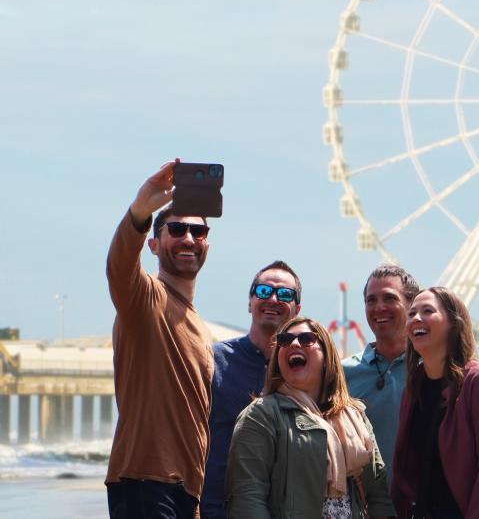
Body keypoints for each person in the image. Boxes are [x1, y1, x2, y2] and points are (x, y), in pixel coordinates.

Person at [105, 160, 215, 519]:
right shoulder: (145, 298)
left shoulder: (200, 325)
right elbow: (119, 267)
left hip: (184, 490)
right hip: (143, 482)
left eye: (198, 232)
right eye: (177, 229)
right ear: (154, 244)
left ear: (207, 246)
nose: (188, 238)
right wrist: (140, 210)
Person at [227, 317, 395, 519]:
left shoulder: (356, 416)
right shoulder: (260, 416)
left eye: (306, 339)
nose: (294, 344)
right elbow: (247, 499)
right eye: (285, 340)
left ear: (327, 357)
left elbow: (378, 496)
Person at [391, 287, 479, 519]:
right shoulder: (412, 389)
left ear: (454, 324)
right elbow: (404, 470)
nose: (416, 318)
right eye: (412, 313)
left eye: (427, 311)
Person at [200, 261, 303, 519]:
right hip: (218, 509)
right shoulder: (214, 360)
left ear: (297, 309)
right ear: (249, 302)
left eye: (284, 294)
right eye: (264, 291)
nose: (273, 299)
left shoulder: (304, 368)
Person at [342, 264, 419, 485]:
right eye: (371, 300)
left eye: (389, 298)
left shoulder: (431, 371)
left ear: (411, 304)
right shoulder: (342, 373)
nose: (379, 307)